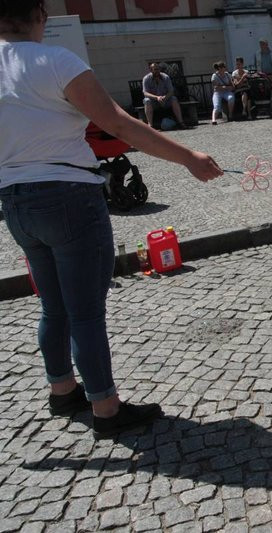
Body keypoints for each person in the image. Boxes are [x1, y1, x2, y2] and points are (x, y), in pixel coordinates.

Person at [0, 0, 222, 438]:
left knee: (53, 305)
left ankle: (62, 391)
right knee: (84, 311)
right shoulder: (54, 60)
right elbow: (118, 124)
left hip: (15, 201)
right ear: (40, 16)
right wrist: (188, 157)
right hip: (67, 195)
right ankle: (105, 407)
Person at [142, 62, 186, 130]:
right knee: (147, 100)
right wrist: (157, 98)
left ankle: (181, 122)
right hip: (153, 101)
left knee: (174, 99)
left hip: (165, 100)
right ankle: (150, 125)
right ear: (151, 70)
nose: (157, 71)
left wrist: (165, 98)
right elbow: (145, 93)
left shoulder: (165, 77)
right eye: (155, 69)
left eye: (158, 69)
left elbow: (171, 91)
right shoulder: (146, 79)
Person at [211, 61, 235, 125]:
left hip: (226, 92)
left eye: (224, 67)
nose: (224, 68)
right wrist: (224, 87)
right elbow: (215, 87)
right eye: (223, 67)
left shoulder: (227, 75)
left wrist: (226, 87)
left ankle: (230, 115)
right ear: (219, 68)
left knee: (231, 98)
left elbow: (232, 86)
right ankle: (213, 119)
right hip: (217, 93)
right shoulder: (214, 76)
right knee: (217, 106)